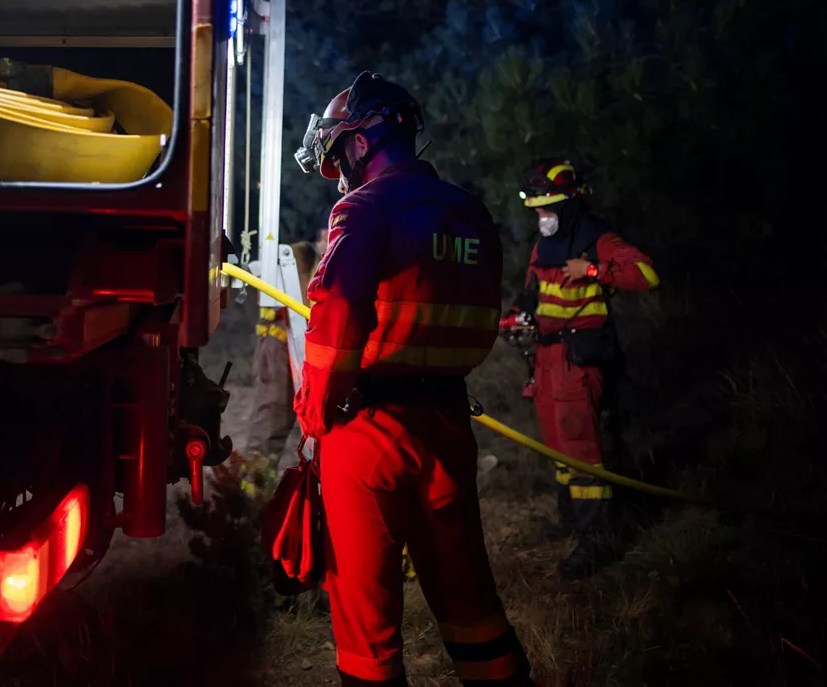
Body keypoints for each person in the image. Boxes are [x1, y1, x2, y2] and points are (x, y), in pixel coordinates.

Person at [293, 71, 533, 687]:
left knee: (366, 624)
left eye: (341, 146)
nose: (339, 163)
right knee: (471, 606)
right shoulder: (471, 213)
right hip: (449, 428)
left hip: (366, 431)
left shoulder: (363, 209)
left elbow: (338, 317)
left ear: (364, 141)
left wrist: (316, 418)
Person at [502, 159, 659, 579]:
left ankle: (597, 543)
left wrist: (592, 270)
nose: (540, 216)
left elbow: (646, 274)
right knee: (557, 446)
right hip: (548, 360)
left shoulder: (597, 239)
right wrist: (518, 314)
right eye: (534, 209)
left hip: (578, 360)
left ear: (568, 205)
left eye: (546, 208)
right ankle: (571, 523)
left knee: (582, 452)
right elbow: (534, 291)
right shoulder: (545, 243)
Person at [246, 230, 327, 465]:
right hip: (280, 351)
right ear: (321, 232)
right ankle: (249, 494)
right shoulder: (295, 259)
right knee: (267, 431)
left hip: (310, 356)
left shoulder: (326, 260)